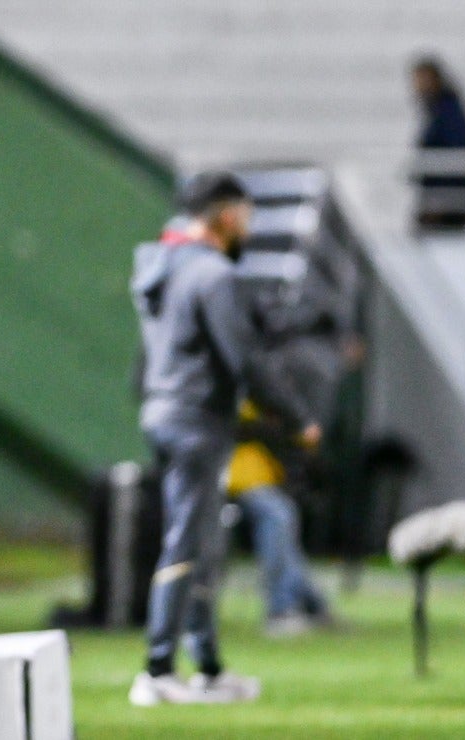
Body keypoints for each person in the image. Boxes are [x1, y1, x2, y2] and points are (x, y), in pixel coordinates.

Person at [129, 171, 321, 706]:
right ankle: (158, 670)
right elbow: (246, 359)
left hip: (164, 408)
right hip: (197, 420)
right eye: (247, 218)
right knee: (188, 539)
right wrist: (297, 416)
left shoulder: (159, 266)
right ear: (229, 215)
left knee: (205, 541)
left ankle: (208, 667)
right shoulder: (214, 276)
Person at [226, 401, 332, 637]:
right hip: (230, 474)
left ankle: (311, 603)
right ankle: (282, 608)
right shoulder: (242, 386)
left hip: (259, 474)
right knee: (278, 516)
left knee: (282, 520)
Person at [411, 55, 465, 231]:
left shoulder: (448, 112)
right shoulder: (437, 110)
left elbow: (455, 155)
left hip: (447, 203)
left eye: (421, 79)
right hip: (441, 199)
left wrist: (440, 201)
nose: (416, 86)